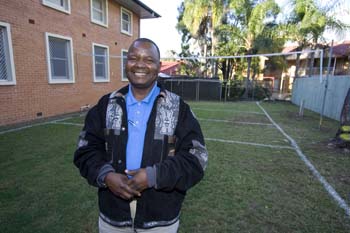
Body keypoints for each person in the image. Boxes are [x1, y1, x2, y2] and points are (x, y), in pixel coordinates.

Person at [74, 38, 208, 233]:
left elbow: (197, 158)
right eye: (133, 58)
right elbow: (85, 150)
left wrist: (154, 176)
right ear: (126, 63)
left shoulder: (178, 109)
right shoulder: (106, 105)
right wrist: (106, 175)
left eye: (148, 60)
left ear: (158, 66)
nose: (140, 64)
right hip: (113, 219)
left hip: (160, 221)